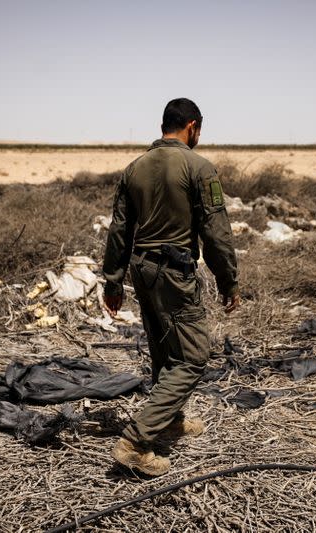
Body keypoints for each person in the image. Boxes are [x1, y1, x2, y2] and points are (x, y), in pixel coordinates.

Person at [102, 97, 240, 476]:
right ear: (192, 126)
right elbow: (216, 233)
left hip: (141, 271)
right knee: (194, 356)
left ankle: (171, 418)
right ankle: (136, 440)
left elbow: (119, 230)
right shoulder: (200, 167)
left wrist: (112, 282)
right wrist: (228, 281)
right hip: (174, 272)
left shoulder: (135, 168)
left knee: (165, 347)